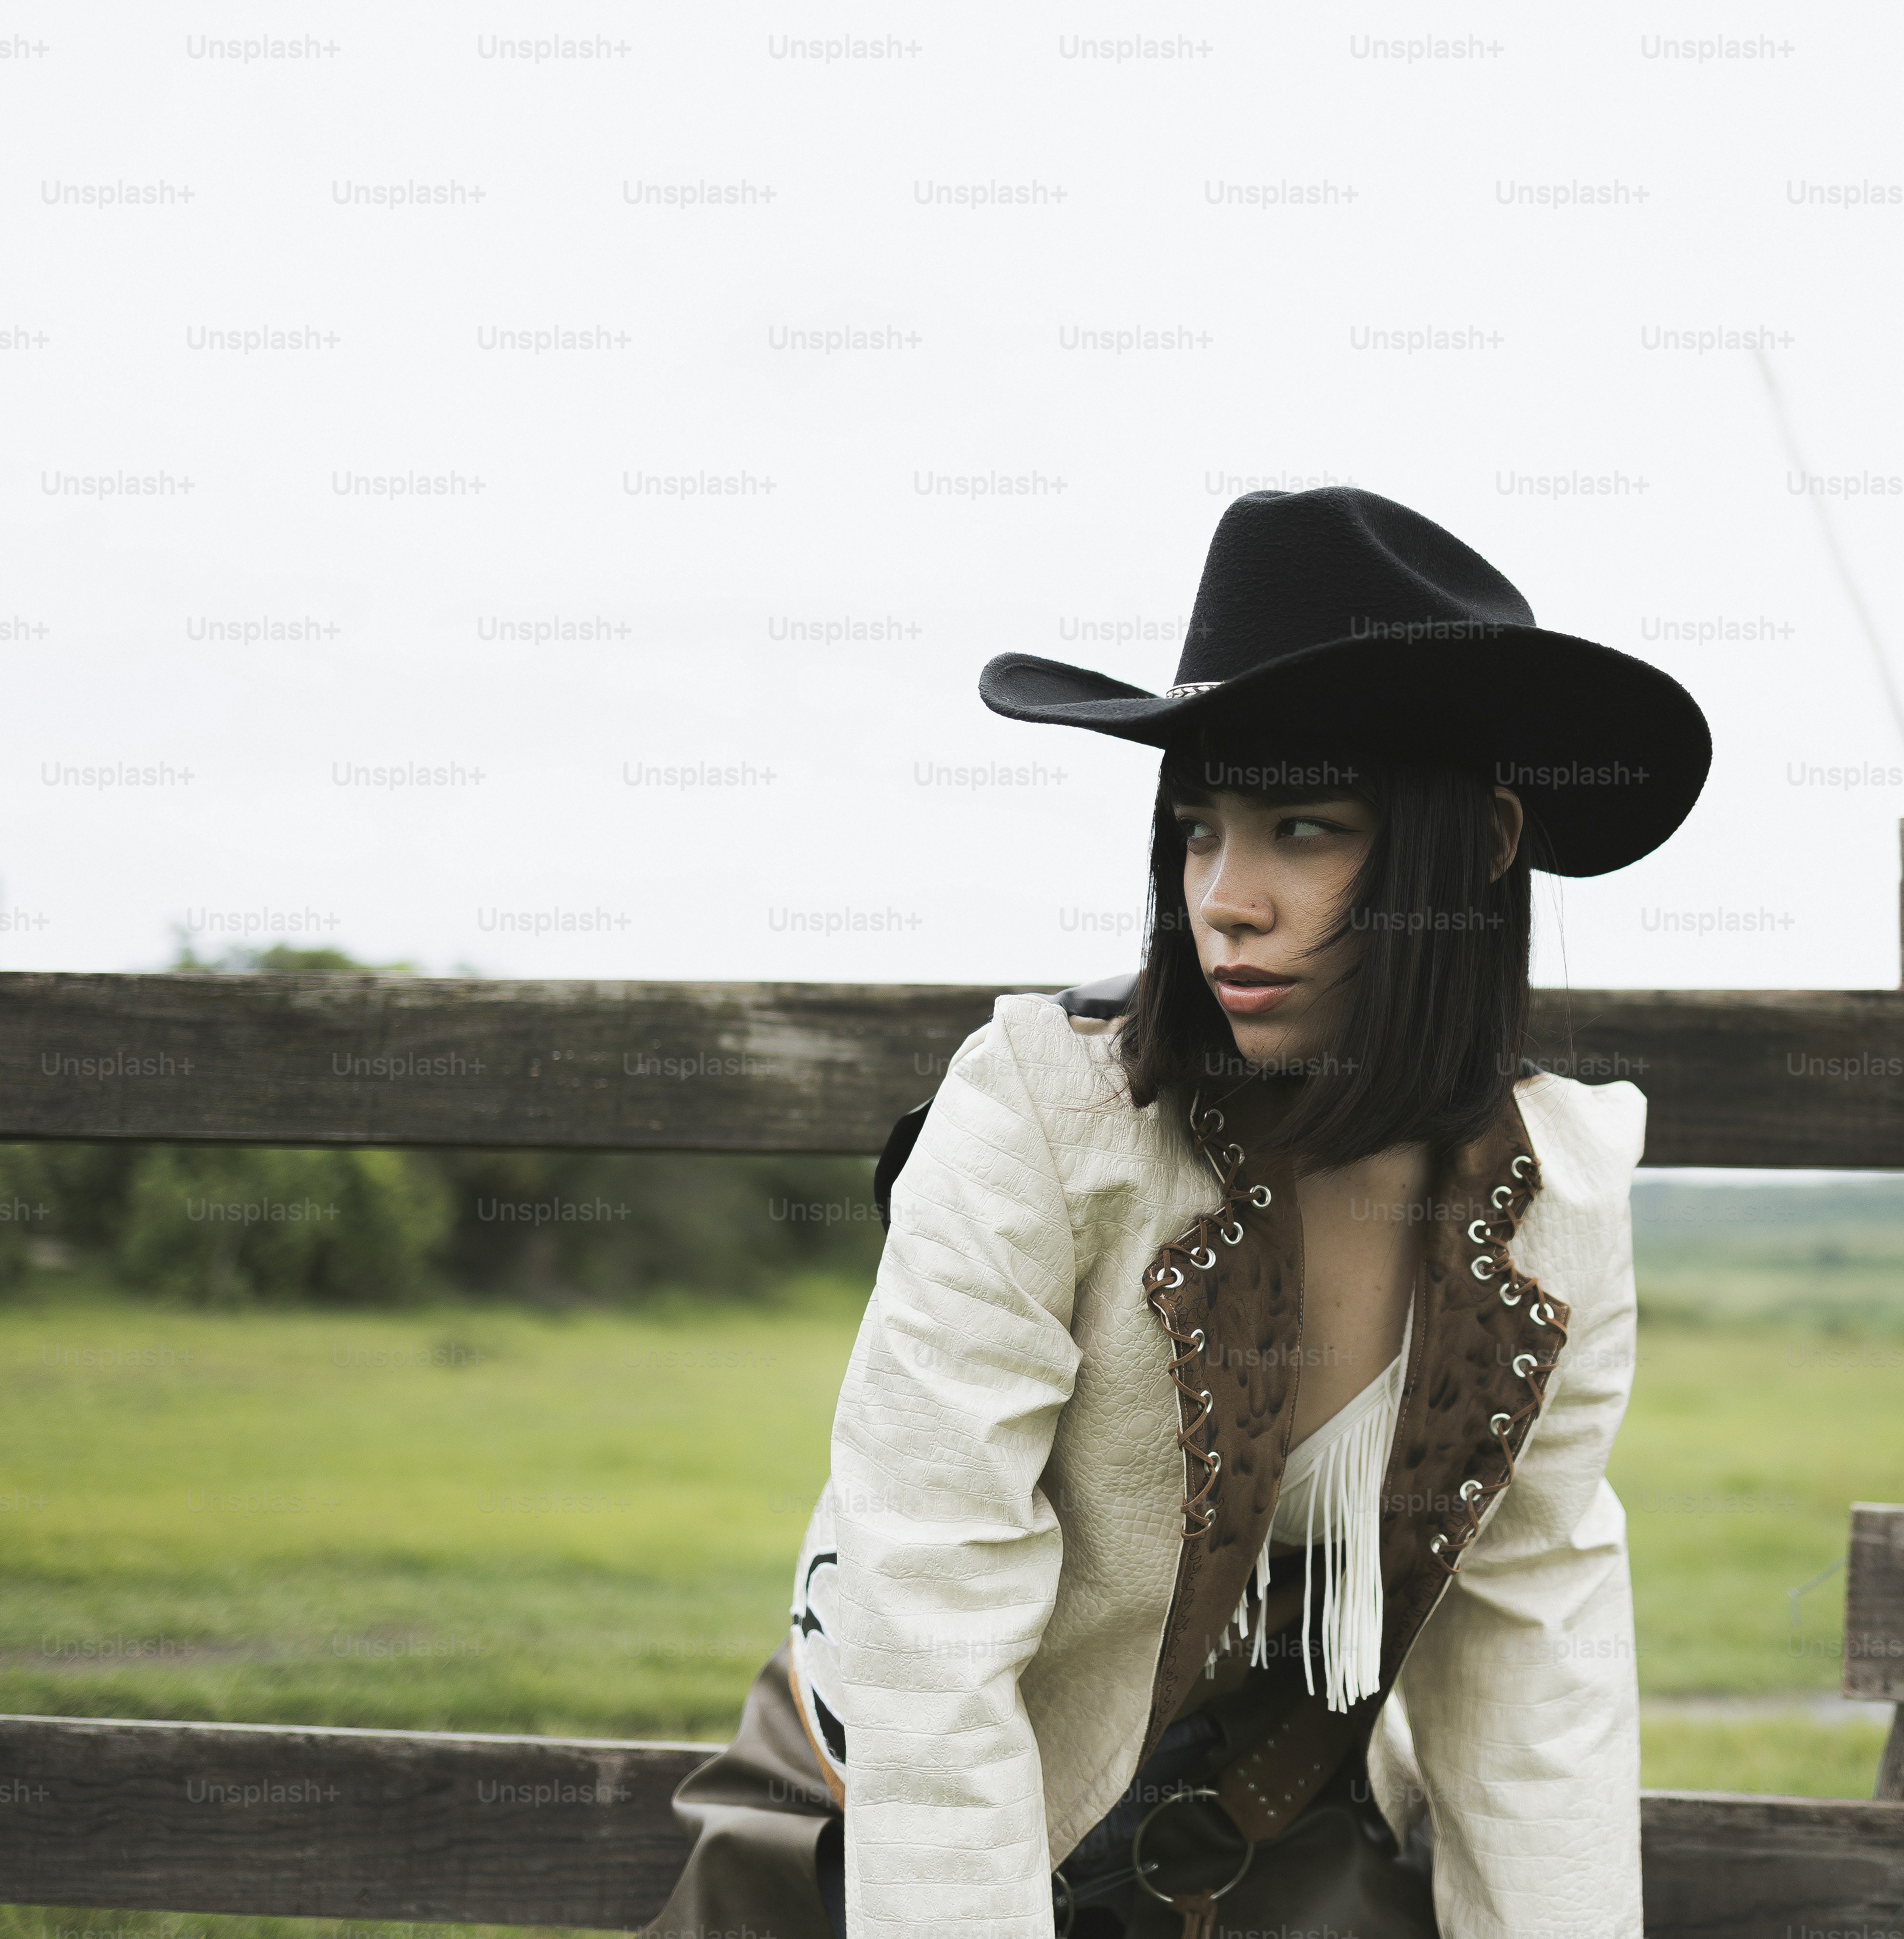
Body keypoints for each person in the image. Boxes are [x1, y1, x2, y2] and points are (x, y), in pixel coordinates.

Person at [644, 485, 1710, 1939]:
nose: (1228, 898)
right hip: (893, 1821)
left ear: (1478, 848)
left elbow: (1536, 1643)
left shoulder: (1562, 1193)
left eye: (1303, 831)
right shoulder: (1039, 1116)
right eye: (1199, 832)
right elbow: (929, 1606)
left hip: (1257, 1828)